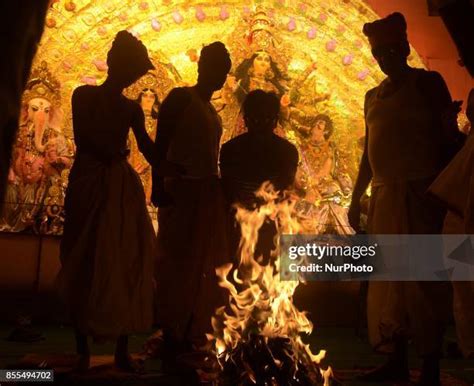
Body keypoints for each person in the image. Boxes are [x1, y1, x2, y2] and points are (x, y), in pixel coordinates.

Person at [347, 12, 465, 386]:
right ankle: (395, 359)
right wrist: (355, 197)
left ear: (406, 48)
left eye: (394, 49)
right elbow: (369, 153)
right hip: (383, 196)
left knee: (422, 280)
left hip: (420, 193)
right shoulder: (371, 96)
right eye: (380, 52)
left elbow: (446, 138)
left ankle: (429, 364)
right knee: (388, 282)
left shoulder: (428, 84)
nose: (387, 57)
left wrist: (445, 191)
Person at [56, 31, 180, 372]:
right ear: (115, 66)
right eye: (131, 71)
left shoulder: (130, 108)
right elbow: (84, 137)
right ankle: (82, 349)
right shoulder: (83, 95)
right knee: (84, 258)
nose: (133, 79)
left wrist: (169, 157)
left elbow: (147, 147)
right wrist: (114, 154)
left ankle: (122, 348)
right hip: (91, 181)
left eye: (136, 74)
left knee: (127, 258)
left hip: (120, 186)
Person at [150, 42, 232, 365]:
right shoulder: (180, 99)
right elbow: (161, 143)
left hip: (207, 193)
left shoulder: (212, 111)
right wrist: (158, 185)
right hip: (181, 190)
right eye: (214, 68)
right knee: (176, 261)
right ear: (201, 68)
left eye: (224, 72)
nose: (220, 77)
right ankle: (172, 330)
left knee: (202, 265)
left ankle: (192, 330)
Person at [220, 90, 298, 263]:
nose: (261, 125)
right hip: (239, 224)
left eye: (267, 119)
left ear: (275, 121)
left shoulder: (287, 152)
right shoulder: (231, 150)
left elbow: (284, 189)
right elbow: (228, 190)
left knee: (273, 277)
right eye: (256, 119)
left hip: (273, 223)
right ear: (246, 120)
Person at [430, 88, 474, 358]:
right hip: (459, 217)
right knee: (464, 290)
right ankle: (469, 347)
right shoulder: (470, 142)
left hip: (464, 218)